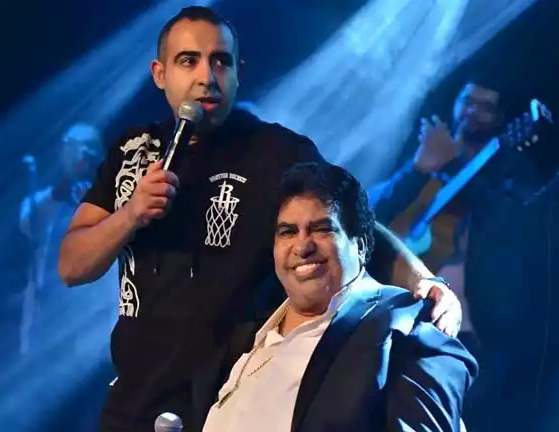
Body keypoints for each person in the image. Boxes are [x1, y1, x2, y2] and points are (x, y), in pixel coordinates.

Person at [58, 7, 461, 431]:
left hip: (232, 400)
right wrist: (130, 215)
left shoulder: (276, 151)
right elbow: (71, 266)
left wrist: (423, 280)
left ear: (238, 72)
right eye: (188, 61)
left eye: (221, 61)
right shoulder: (132, 151)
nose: (207, 76)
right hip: (134, 400)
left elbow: (354, 228)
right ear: (160, 74)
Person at [198, 162, 477, 432]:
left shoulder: (407, 328)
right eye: (288, 232)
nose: (302, 246)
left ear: (362, 245)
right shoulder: (245, 341)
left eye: (322, 229)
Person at [369, 79, 544, 429]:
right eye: (467, 102)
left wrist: (452, 164)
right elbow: (369, 214)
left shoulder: (509, 167)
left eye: (485, 107)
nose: (472, 112)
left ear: (500, 119)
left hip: (466, 326)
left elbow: (516, 224)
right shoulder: (430, 150)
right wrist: (418, 169)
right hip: (391, 310)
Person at [18, 122, 116, 356]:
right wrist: (57, 194)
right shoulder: (48, 197)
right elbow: (27, 223)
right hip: (48, 309)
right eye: (67, 148)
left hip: (93, 310)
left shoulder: (113, 196)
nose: (72, 155)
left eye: (80, 148)